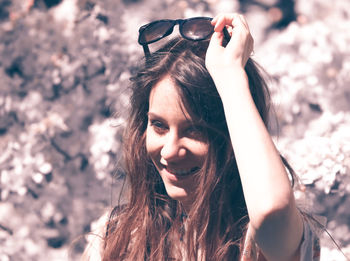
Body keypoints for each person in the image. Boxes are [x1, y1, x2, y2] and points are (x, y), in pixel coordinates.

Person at [82, 13, 320, 260]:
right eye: (159, 126)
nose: (169, 151)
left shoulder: (261, 242)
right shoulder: (117, 237)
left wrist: (230, 76)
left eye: (194, 130)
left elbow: (272, 211)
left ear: (232, 135)